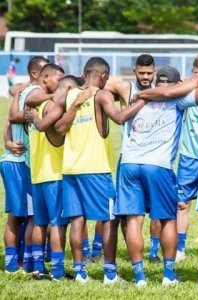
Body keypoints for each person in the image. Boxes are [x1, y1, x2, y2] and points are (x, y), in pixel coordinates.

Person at [33, 57, 146, 283]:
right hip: (96, 168)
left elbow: (57, 127)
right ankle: (110, 274)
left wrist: (71, 107)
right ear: (103, 76)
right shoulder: (101, 95)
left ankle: (80, 273)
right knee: (110, 220)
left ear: (85, 74)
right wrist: (144, 99)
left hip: (71, 169)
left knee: (77, 220)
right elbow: (120, 117)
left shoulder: (68, 96)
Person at [115, 66, 198, 286]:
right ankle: (168, 275)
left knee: (133, 220)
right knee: (167, 220)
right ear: (176, 85)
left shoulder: (140, 98)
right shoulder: (178, 100)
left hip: (129, 163)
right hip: (158, 165)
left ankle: (140, 277)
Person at [25, 73, 93, 281]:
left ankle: (38, 268)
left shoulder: (35, 111)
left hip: (37, 174)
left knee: (39, 222)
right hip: (55, 175)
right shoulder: (54, 111)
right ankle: (57, 272)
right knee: (58, 224)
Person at [105, 54, 162, 263]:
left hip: (155, 158)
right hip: (128, 157)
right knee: (126, 213)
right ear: (134, 71)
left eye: (149, 72)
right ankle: (133, 254)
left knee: (156, 211)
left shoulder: (162, 88)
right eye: (142, 72)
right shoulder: (124, 88)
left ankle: (154, 251)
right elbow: (95, 85)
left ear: (154, 70)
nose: (146, 76)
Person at [1, 56, 49, 274]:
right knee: (21, 215)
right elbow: (12, 119)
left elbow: (9, 122)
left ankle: (23, 260)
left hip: (26, 162)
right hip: (19, 162)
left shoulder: (26, 92)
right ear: (36, 74)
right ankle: (15, 264)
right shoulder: (36, 94)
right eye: (47, 72)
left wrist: (7, 141)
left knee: (28, 214)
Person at [175, 54, 198, 262]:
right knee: (182, 204)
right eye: (197, 74)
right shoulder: (187, 90)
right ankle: (180, 248)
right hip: (189, 156)